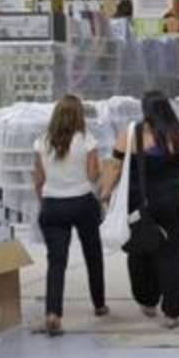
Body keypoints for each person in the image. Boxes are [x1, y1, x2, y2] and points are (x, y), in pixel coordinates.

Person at [101, 90, 179, 329]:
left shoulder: (132, 134)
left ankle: (148, 300)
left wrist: (105, 195)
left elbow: (114, 168)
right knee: (174, 254)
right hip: (175, 201)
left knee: (141, 250)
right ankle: (173, 311)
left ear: (145, 110)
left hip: (141, 203)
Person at [32, 94, 108, 337]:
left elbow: (39, 179)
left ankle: (53, 313)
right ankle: (99, 304)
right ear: (79, 116)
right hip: (82, 202)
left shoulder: (42, 142)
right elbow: (94, 174)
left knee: (56, 262)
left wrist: (43, 202)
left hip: (53, 204)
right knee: (92, 254)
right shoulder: (86, 140)